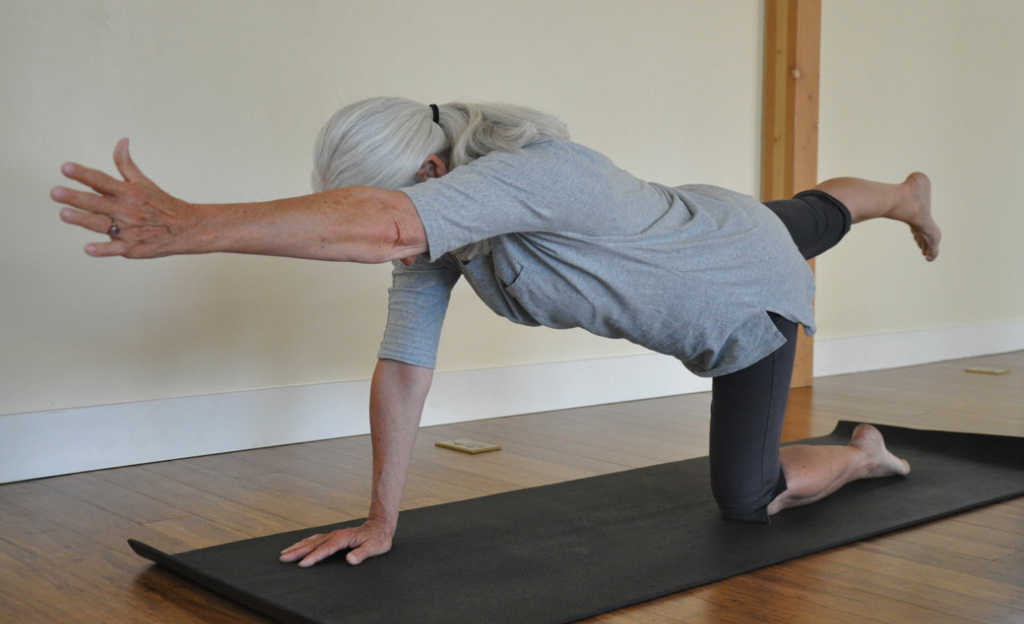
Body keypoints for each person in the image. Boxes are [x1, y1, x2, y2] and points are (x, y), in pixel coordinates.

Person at [52, 97, 938, 568]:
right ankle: (902, 196)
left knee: (747, 498)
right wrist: (381, 517)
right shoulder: (445, 236)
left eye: (384, 201)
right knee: (817, 210)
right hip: (713, 219)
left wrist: (190, 225)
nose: (376, 227)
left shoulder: (539, 176)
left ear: (433, 173)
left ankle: (864, 452)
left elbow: (389, 224)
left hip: (746, 294)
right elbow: (404, 368)